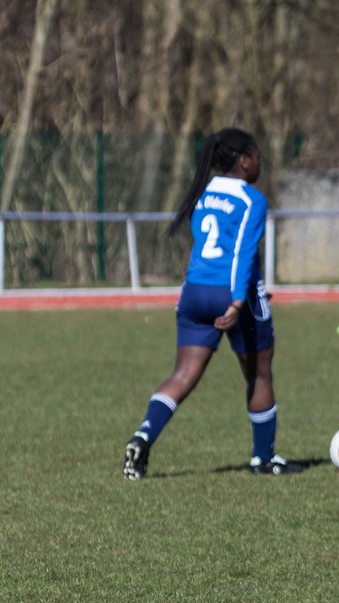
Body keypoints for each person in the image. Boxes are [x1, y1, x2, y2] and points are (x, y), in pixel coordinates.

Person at [122, 127, 297, 479]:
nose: (260, 164)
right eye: (258, 158)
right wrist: (236, 301)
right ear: (245, 160)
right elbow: (243, 254)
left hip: (193, 291)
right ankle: (263, 459)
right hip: (233, 294)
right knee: (260, 375)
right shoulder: (252, 199)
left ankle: (142, 437)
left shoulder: (202, 195)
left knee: (183, 374)